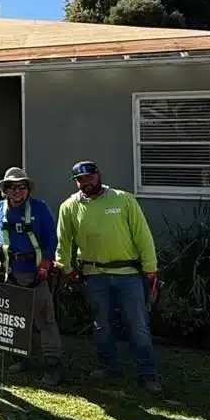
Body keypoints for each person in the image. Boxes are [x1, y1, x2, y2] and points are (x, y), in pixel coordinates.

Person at [54, 160, 162, 392]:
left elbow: (142, 235)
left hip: (128, 274)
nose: (87, 182)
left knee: (138, 326)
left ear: (98, 175)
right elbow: (63, 242)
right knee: (102, 325)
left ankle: (147, 374)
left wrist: (150, 268)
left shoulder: (123, 199)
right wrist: (66, 268)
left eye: (90, 176)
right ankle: (107, 367)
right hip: (94, 275)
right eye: (81, 179)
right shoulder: (69, 207)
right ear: (76, 183)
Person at [0, 167, 63, 388]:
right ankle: (22, 358)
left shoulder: (39, 208)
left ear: (28, 190)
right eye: (12, 187)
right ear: (5, 191)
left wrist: (46, 261)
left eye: (22, 187)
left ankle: (51, 364)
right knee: (16, 318)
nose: (17, 191)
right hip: (10, 272)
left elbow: (50, 236)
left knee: (45, 318)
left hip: (36, 271)